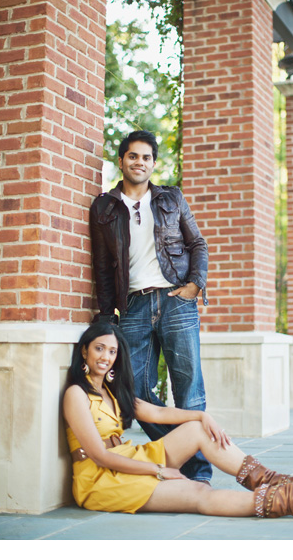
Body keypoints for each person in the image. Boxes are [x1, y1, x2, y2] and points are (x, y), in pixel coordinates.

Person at [63, 322, 293, 518]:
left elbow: (158, 413)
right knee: (197, 492)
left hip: (128, 458)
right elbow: (99, 456)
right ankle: (292, 501)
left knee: (197, 429)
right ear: (85, 350)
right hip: (101, 480)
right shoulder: (76, 394)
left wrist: (201, 414)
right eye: (100, 349)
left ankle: (273, 481)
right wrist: (158, 471)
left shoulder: (112, 390)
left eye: (112, 351)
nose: (106, 357)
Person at [89, 130, 211, 483]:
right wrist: (107, 313)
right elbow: (102, 265)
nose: (139, 162)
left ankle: (199, 474)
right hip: (133, 308)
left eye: (145, 157)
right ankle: (183, 457)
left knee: (189, 388)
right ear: (121, 161)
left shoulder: (171, 198)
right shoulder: (105, 207)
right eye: (132, 156)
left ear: (153, 163)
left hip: (176, 301)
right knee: (134, 390)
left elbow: (197, 243)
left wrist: (194, 285)